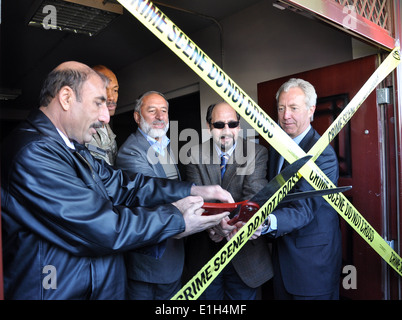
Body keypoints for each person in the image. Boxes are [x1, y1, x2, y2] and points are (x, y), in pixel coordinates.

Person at [0, 61, 234, 300]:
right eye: (98, 103)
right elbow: (104, 228)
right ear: (66, 98)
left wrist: (193, 189)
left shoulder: (72, 148)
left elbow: (127, 185)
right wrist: (176, 218)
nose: (105, 117)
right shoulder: (33, 152)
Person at [262, 78, 342, 300]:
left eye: (294, 108)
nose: (285, 115)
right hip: (280, 263)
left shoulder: (323, 154)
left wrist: (266, 222)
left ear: (311, 111)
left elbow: (304, 208)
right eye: (281, 108)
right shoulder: (275, 147)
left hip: (312, 269)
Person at [184, 102, 273, 300]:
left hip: (244, 254)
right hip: (206, 256)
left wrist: (230, 226)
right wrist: (215, 226)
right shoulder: (193, 154)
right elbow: (195, 199)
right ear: (209, 127)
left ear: (239, 126)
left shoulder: (257, 153)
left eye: (232, 124)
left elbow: (253, 196)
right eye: (219, 125)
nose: (227, 130)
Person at [115, 91, 184, 299]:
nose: (159, 116)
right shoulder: (131, 152)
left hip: (173, 259)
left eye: (164, 111)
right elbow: (157, 195)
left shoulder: (164, 145)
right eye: (151, 110)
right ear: (137, 117)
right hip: (149, 266)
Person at [86, 65, 119, 165]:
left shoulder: (107, 129)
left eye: (115, 90)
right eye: (105, 89)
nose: (111, 97)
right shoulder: (83, 130)